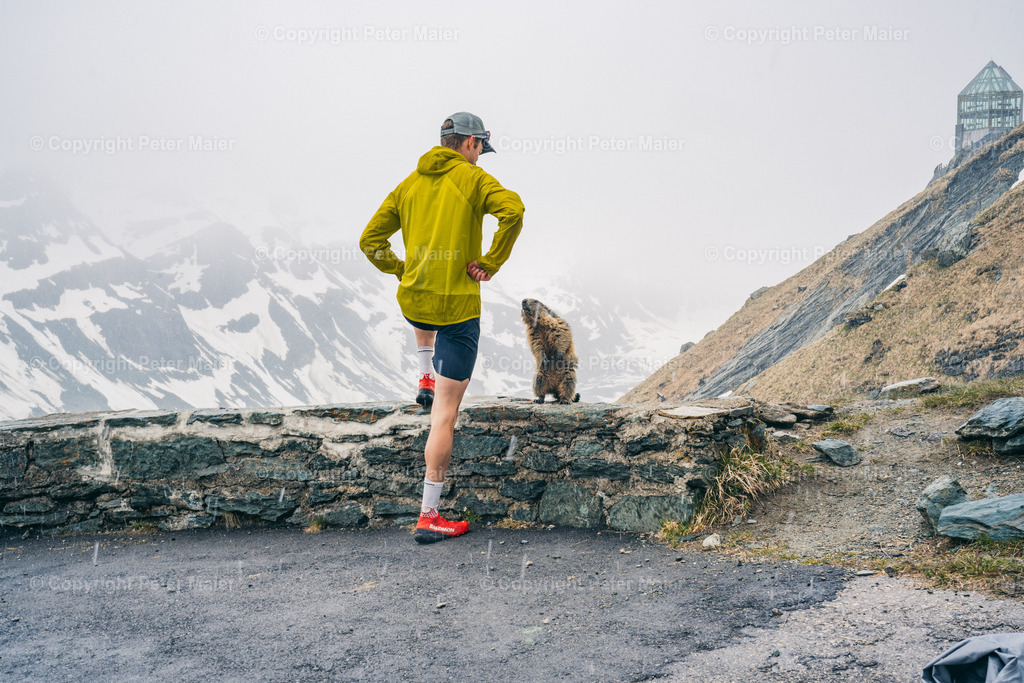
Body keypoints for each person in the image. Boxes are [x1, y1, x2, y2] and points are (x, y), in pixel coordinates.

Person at [359, 112, 524, 543]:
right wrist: (490, 262)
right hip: (457, 311)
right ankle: (429, 514)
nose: (479, 158)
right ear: (470, 143)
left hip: (416, 305)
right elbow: (514, 211)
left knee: (423, 303)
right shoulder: (473, 181)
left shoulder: (409, 184)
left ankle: (424, 373)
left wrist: (402, 269)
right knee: (443, 416)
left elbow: (369, 241)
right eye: (479, 149)